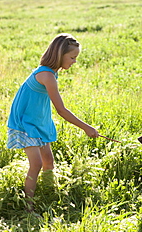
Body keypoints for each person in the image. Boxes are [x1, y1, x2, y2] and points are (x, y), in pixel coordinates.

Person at [7, 33, 99, 212]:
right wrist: (86, 127)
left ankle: (49, 193)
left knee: (48, 160)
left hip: (37, 122)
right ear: (60, 54)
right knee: (37, 164)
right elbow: (61, 110)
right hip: (25, 124)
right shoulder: (46, 75)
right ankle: (29, 208)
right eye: (72, 57)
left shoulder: (52, 73)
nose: (74, 62)